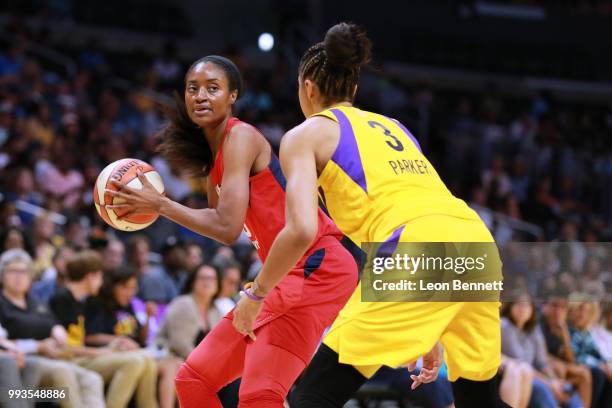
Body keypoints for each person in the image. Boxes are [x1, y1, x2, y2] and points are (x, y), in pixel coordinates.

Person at [233, 22, 502, 407]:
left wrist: (256, 293)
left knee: (314, 394)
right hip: (476, 241)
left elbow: (302, 229)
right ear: (353, 90)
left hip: (417, 248)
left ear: (307, 87)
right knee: (480, 402)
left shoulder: (305, 135)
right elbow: (425, 214)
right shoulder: (396, 128)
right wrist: (433, 325)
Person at [105, 54, 358, 408]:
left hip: (316, 268)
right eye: (193, 88)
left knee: (259, 397)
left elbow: (227, 228)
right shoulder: (215, 161)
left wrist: (161, 205)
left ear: (233, 96)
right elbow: (218, 221)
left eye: (213, 88)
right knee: (193, 379)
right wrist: (162, 205)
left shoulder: (241, 136)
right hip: (288, 272)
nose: (201, 96)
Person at [49, 250, 158, 408]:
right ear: (90, 277)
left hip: (81, 357)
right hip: (69, 359)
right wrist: (102, 351)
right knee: (134, 361)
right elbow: (66, 347)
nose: (101, 283)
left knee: (146, 360)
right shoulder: (61, 300)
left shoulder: (80, 302)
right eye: (100, 277)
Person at [0, 248, 105, 408]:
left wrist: (59, 336)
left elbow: (55, 328)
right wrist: (38, 346)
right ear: (2, 275)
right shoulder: (2, 303)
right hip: (23, 362)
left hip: (46, 360)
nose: (18, 276)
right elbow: (3, 343)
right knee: (62, 376)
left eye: (24, 272)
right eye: (13, 271)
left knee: (91, 379)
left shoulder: (36, 303)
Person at [85, 266, 182, 408]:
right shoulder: (98, 303)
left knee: (177, 363)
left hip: (135, 352)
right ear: (113, 286)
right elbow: (89, 337)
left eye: (133, 288)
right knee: (146, 362)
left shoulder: (128, 306)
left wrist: (149, 318)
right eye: (125, 287)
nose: (129, 292)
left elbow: (140, 340)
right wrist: (119, 340)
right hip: (108, 354)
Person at [501, 297, 583, 408]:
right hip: (517, 375)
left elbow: (542, 363)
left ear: (532, 310)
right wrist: (549, 383)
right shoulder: (505, 326)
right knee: (543, 390)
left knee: (568, 391)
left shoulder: (533, 329)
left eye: (526, 306)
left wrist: (555, 381)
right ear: (511, 307)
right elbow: (521, 362)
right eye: (518, 305)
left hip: (534, 374)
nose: (522, 309)